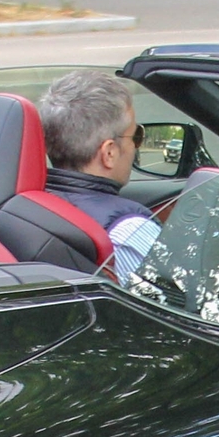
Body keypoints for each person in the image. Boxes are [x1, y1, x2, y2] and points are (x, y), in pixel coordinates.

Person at [38, 69, 162, 279]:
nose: (136, 147)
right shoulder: (129, 232)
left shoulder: (33, 204)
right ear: (109, 153)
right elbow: (185, 303)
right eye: (136, 136)